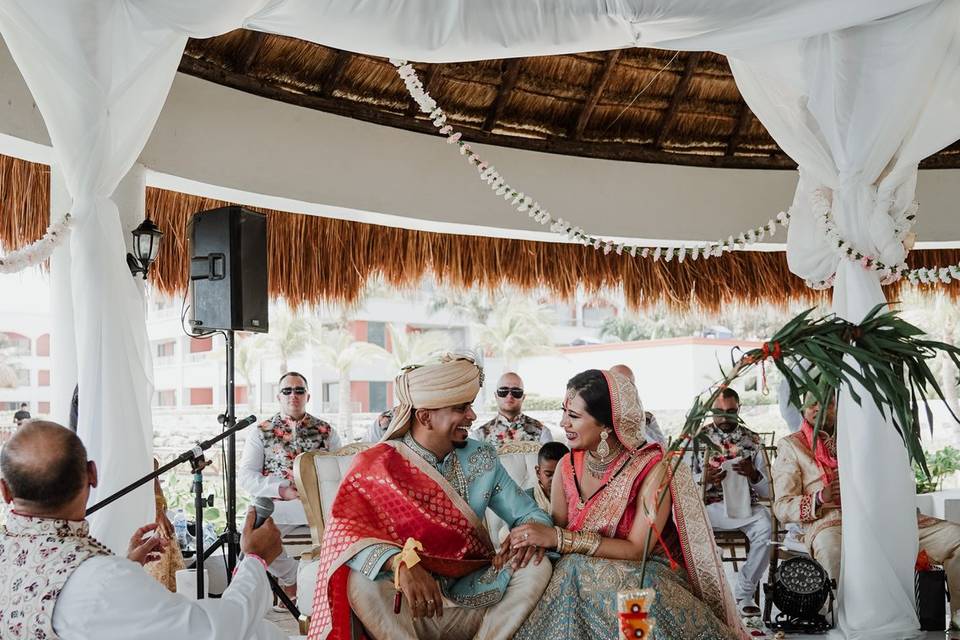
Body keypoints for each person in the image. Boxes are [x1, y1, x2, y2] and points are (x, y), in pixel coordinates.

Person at [306, 354, 553, 640]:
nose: (472, 417)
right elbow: (343, 536)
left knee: (535, 565)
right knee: (361, 581)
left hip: (475, 590)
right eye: (461, 408)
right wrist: (400, 564)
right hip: (407, 602)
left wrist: (523, 537)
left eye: (470, 407)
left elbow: (530, 514)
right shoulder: (377, 464)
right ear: (425, 416)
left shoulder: (481, 458)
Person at [509, 370, 746, 640]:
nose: (563, 423)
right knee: (565, 570)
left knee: (580, 570)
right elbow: (555, 529)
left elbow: (636, 549)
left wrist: (559, 538)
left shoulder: (651, 469)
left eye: (574, 416)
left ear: (607, 425)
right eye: (564, 411)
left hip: (641, 579)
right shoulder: (566, 466)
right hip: (576, 583)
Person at [0, 421, 285, 640]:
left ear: (4, 490)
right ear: (92, 474)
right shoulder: (98, 579)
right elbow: (213, 631)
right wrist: (255, 560)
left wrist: (126, 567)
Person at [773, 392, 960, 623]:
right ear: (802, 408)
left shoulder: (863, 436)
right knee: (832, 552)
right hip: (831, 523)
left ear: (840, 405)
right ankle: (843, 622)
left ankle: (959, 616)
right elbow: (781, 506)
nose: (818, 408)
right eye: (812, 402)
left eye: (827, 402)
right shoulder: (791, 446)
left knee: (956, 538)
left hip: (883, 517)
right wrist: (820, 497)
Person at [239, 371, 340, 595]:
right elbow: (246, 476)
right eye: (287, 390)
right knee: (250, 535)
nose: (293, 395)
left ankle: (327, 589)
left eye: (299, 390)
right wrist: (282, 490)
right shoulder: (261, 432)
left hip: (318, 507)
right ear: (279, 397)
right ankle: (293, 577)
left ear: (307, 396)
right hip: (280, 506)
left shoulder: (327, 431)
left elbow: (339, 473)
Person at [692, 387, 772, 616]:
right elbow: (684, 484)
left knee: (766, 525)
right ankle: (709, 592)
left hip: (745, 506)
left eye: (730, 411)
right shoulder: (698, 438)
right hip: (709, 507)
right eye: (719, 411)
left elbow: (768, 491)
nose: (724, 417)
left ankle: (745, 592)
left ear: (739, 409)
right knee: (682, 523)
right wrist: (704, 479)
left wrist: (753, 474)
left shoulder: (753, 440)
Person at [470, 372, 552, 444]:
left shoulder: (542, 432)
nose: (509, 396)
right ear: (496, 396)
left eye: (516, 392)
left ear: (523, 397)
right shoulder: (479, 436)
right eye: (503, 391)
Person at [609, 364, 667, 446]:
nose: (623, 389)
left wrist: (638, 424)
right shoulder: (597, 416)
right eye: (618, 383)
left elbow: (662, 449)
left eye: (629, 384)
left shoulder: (647, 419)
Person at [527, 441, 568, 511]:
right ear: (538, 472)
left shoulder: (578, 498)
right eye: (548, 475)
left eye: (561, 475)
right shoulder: (525, 499)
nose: (555, 481)